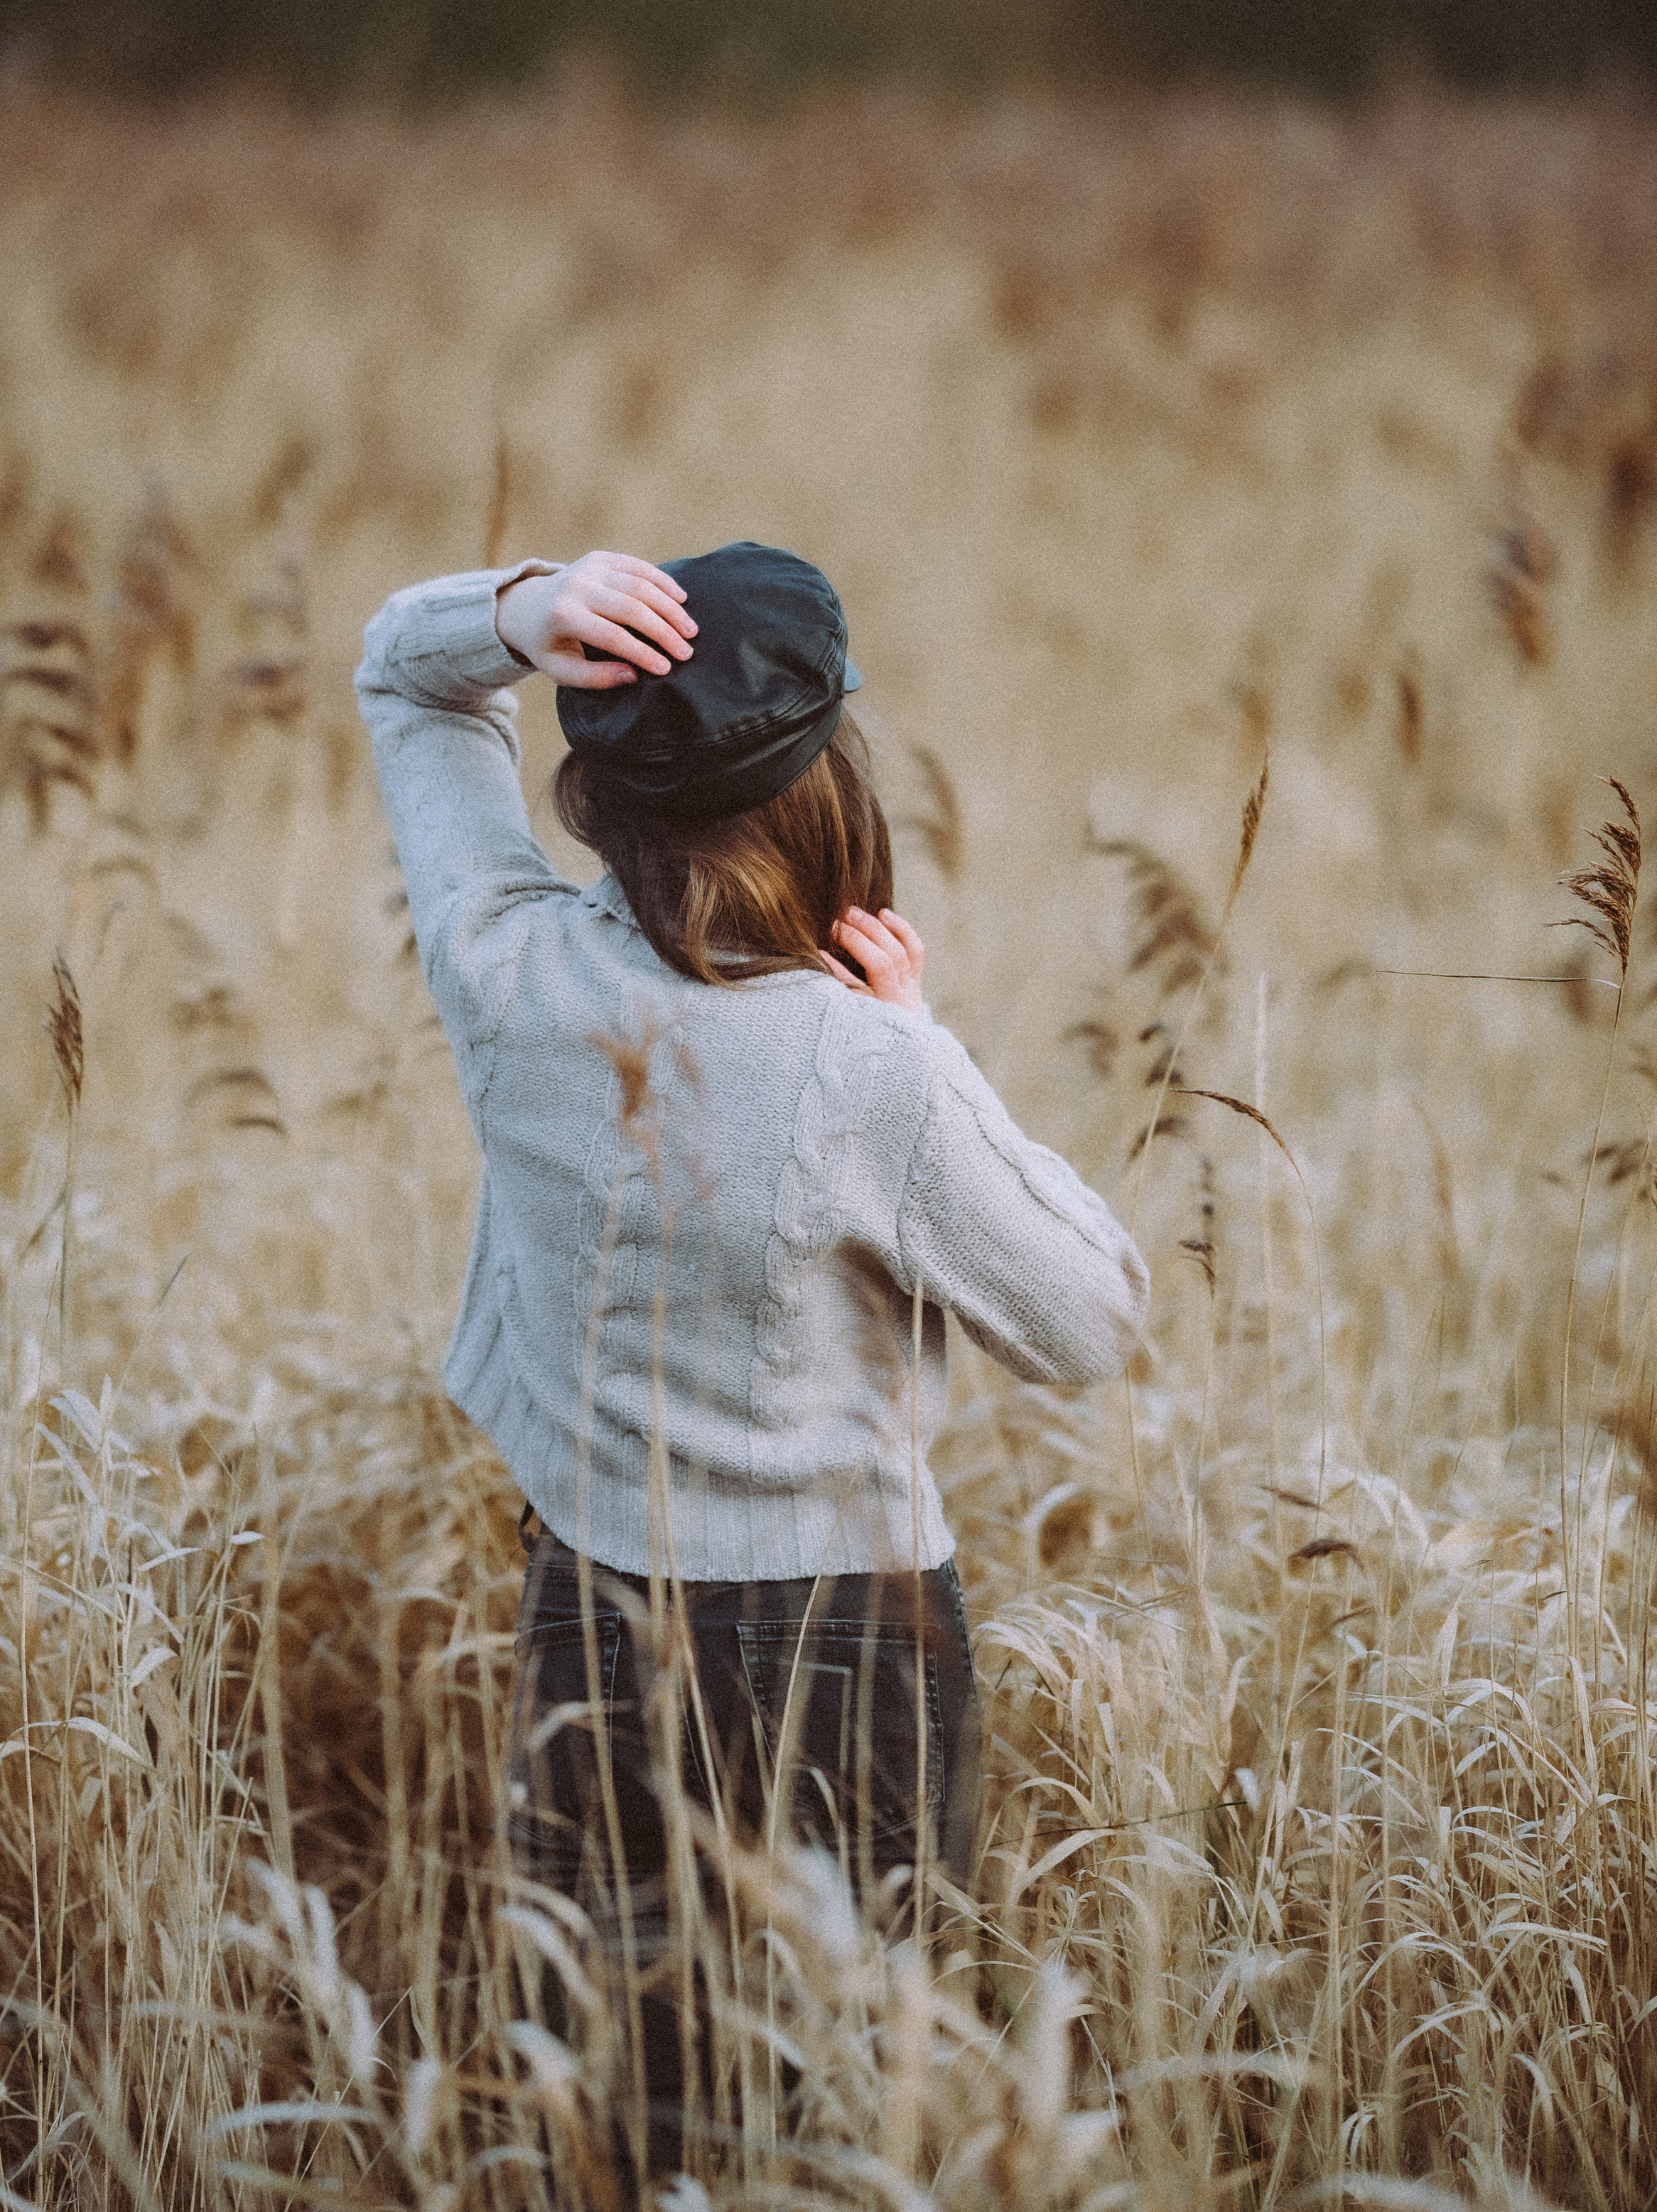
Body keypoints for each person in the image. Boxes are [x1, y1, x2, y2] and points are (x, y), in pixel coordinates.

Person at [355, 543, 1149, 2191]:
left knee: (628, 2088)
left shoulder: (504, 972)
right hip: (846, 1645)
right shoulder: (867, 1067)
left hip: (590, 1606)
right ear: (826, 794)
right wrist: (927, 1041)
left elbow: (399, 676)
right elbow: (1089, 1322)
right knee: (853, 2098)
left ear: (598, 792)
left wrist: (518, 613)